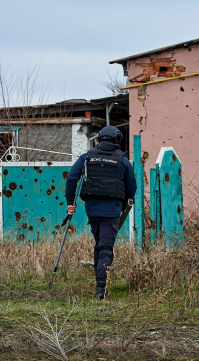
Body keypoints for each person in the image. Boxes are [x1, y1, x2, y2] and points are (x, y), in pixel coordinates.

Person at [65, 126, 137, 299]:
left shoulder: (87, 157)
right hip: (112, 210)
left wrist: (70, 202)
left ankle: (99, 285)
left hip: (92, 209)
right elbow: (132, 187)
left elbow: (72, 177)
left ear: (99, 139)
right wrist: (124, 200)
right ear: (116, 139)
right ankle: (101, 290)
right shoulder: (123, 160)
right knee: (105, 246)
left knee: (100, 243)